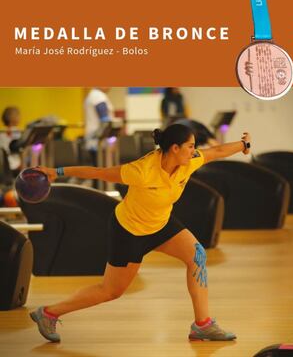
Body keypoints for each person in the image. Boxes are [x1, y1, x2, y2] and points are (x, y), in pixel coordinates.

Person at [29, 124, 251, 343]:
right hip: (129, 231)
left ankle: (202, 325)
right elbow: (99, 173)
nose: (194, 150)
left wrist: (243, 144)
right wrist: (55, 172)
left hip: (161, 224)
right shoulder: (142, 171)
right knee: (110, 291)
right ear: (174, 148)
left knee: (197, 256)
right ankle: (48, 313)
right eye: (190, 146)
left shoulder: (188, 162)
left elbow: (217, 151)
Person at [84, 88, 115, 165]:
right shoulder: (98, 96)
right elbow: (105, 120)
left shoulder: (92, 95)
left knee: (97, 168)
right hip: (99, 141)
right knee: (100, 168)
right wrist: (111, 140)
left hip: (95, 140)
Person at [0, 107, 22, 173]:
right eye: (18, 115)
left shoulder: (2, 132)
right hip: (14, 162)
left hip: (4, 162)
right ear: (13, 118)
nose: (20, 118)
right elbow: (20, 149)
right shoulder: (16, 131)